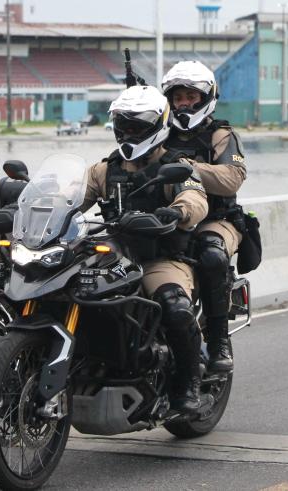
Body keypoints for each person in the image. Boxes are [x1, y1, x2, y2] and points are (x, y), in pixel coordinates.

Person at [80, 85, 209, 413]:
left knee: (174, 305)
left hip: (160, 257)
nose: (129, 132)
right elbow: (71, 198)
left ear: (157, 125)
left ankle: (189, 384)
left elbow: (195, 198)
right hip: (113, 255)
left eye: (137, 126)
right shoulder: (104, 169)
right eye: (124, 124)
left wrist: (178, 211)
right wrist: (35, 205)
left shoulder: (176, 165)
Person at [161, 61, 246, 373]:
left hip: (216, 218)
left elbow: (231, 178)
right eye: (178, 97)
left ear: (206, 97)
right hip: (167, 216)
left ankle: (218, 337)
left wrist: (187, 166)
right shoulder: (157, 133)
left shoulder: (221, 135)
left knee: (211, 253)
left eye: (191, 96)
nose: (184, 103)